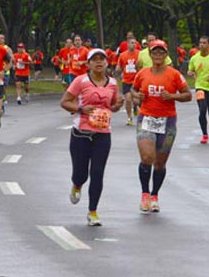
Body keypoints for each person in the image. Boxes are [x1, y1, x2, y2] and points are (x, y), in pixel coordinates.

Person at [60, 49, 123, 226]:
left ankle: (93, 211)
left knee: (97, 173)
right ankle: (77, 185)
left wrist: (118, 105)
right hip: (81, 133)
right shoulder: (81, 81)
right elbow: (64, 102)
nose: (98, 63)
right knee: (81, 174)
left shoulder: (112, 83)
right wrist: (80, 109)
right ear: (88, 64)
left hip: (102, 135)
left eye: (102, 59)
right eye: (94, 60)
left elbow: (112, 106)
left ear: (107, 63)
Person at [131, 40, 191, 214]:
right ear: (150, 55)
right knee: (147, 157)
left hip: (167, 121)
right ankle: (145, 194)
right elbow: (133, 91)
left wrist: (172, 96)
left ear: (166, 55)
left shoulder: (174, 75)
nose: (158, 55)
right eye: (155, 52)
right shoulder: (142, 74)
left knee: (159, 163)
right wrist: (138, 96)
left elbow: (188, 95)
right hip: (147, 119)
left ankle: (155, 195)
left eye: (161, 52)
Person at [116, 36, 140, 125]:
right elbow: (120, 66)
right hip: (126, 80)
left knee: (136, 100)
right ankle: (129, 118)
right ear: (127, 44)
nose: (133, 45)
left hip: (136, 81)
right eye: (132, 43)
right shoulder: (123, 55)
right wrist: (117, 71)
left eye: (135, 43)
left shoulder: (139, 54)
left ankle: (135, 107)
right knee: (128, 99)